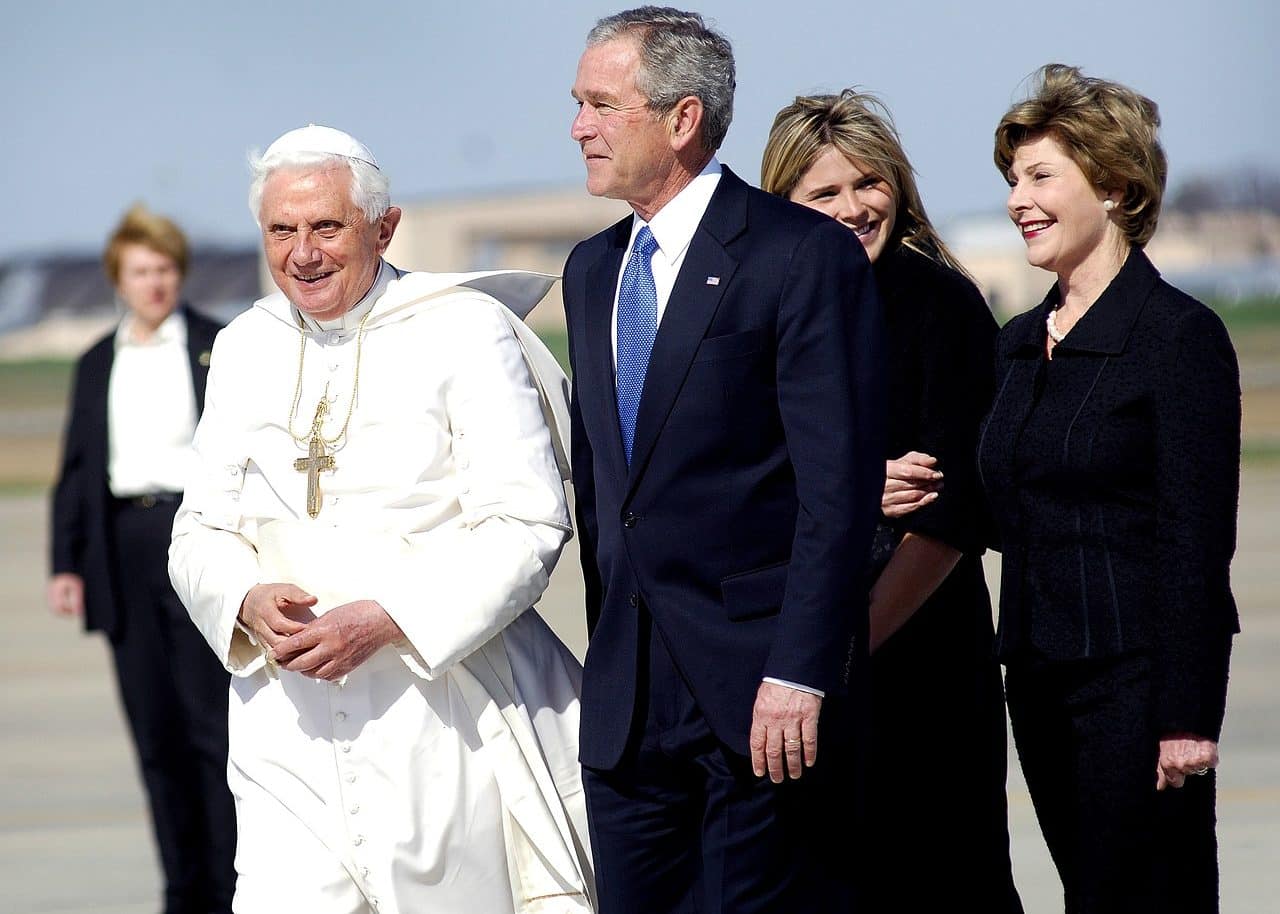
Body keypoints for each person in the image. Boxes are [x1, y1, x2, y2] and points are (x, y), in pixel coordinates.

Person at [167, 124, 594, 914]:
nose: (303, 254)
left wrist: (391, 618)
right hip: (285, 723)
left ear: (384, 228)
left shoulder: (464, 330)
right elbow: (199, 529)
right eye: (281, 231)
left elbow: (528, 523)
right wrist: (241, 600)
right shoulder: (242, 347)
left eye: (327, 227)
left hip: (442, 711)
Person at [564, 9, 886, 912]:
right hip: (628, 708)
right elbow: (607, 491)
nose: (579, 125)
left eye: (601, 104)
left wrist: (800, 670)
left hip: (757, 695)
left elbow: (839, 493)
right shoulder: (594, 270)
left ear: (681, 119)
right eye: (578, 103)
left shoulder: (799, 255)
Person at [977, 64, 1240, 912]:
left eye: (1041, 176)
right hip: (1041, 686)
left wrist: (1187, 717)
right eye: (1013, 179)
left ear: (1118, 187)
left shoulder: (1177, 338)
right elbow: (999, 503)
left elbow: (1196, 540)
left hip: (1137, 690)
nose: (1020, 198)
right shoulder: (1018, 343)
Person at [761, 89, 1023, 912]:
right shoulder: (756, 314)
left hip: (919, 656)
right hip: (793, 662)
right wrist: (850, 488)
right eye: (823, 193)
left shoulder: (941, 304)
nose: (853, 207)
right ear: (784, 206)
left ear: (900, 187)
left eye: (868, 183)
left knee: (946, 879)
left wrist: (841, 658)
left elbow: (951, 517)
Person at [47, 204, 237, 914]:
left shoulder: (221, 346)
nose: (154, 284)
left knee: (211, 734)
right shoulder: (99, 361)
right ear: (118, 281)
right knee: (155, 736)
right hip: (125, 547)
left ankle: (230, 891)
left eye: (164, 270)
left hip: (199, 537)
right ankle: (182, 893)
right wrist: (65, 564)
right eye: (139, 272)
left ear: (179, 274)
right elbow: (76, 470)